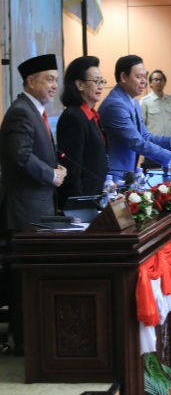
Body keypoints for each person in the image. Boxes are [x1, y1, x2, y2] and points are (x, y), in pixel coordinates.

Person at [0, 53, 67, 354]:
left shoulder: (34, 111)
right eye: (49, 79)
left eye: (56, 80)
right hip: (24, 211)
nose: (54, 86)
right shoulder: (21, 112)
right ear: (30, 81)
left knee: (32, 277)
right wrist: (51, 175)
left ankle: (31, 339)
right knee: (23, 280)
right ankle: (24, 343)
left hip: (37, 208)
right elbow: (20, 156)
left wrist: (55, 168)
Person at [98, 55, 171, 181]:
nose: (144, 81)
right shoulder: (115, 105)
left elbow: (145, 136)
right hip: (114, 176)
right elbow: (137, 142)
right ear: (123, 77)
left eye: (145, 76)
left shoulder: (132, 101)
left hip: (128, 172)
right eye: (139, 77)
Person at [56, 56, 108, 207]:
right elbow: (72, 169)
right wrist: (78, 206)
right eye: (96, 81)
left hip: (95, 196)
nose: (100, 86)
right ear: (79, 84)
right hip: (82, 201)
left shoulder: (91, 116)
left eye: (102, 81)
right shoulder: (73, 117)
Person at [140, 69, 171, 136]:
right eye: (156, 80)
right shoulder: (144, 101)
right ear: (150, 83)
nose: (159, 82)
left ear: (165, 82)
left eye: (161, 79)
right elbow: (141, 124)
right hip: (152, 141)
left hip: (168, 140)